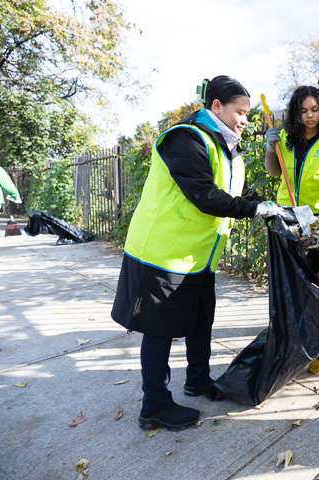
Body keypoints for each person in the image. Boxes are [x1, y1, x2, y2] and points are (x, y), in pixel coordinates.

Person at [111, 76, 284, 432]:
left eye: (248, 114)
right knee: (158, 330)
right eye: (240, 111)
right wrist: (255, 211)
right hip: (161, 253)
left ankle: (198, 379)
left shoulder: (228, 149)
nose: (245, 120)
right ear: (216, 106)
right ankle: (154, 405)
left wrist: (273, 208)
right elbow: (204, 195)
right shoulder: (185, 140)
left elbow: (240, 193)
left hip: (197, 257)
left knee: (200, 320)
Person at [264, 85, 319, 212]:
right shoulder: (284, 137)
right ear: (296, 112)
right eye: (303, 111)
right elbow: (274, 172)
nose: (309, 115)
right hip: (286, 212)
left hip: (317, 215)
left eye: (314, 110)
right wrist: (270, 149)